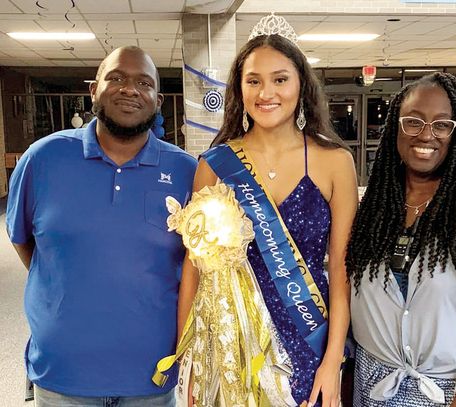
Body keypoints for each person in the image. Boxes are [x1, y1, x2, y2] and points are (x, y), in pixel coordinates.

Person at [175, 14, 358, 407]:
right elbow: (195, 266)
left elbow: (342, 270)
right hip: (230, 340)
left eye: (280, 79)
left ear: (301, 86)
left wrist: (332, 361)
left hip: (308, 335)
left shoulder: (335, 162)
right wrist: (188, 358)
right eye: (253, 80)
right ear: (239, 90)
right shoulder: (215, 164)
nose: (266, 92)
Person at [6, 46, 197, 406]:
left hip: (152, 376)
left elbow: (195, 265)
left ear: (157, 101)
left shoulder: (186, 171)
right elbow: (23, 241)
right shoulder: (43, 159)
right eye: (116, 78)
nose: (130, 89)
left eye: (144, 82)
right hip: (63, 374)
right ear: (93, 89)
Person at [346, 72, 456, 406]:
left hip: (452, 395)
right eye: (413, 121)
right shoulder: (374, 207)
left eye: (443, 124)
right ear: (395, 128)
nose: (427, 134)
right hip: (372, 388)